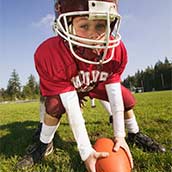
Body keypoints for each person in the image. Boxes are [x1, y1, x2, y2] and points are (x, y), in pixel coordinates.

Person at [17, 0, 135, 170]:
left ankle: (134, 133)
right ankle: (44, 144)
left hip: (94, 83)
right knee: (54, 104)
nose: (93, 34)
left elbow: (114, 92)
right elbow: (71, 105)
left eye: (101, 26)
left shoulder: (115, 50)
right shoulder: (52, 52)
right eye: (84, 26)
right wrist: (86, 150)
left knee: (126, 98)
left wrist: (120, 135)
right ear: (66, 26)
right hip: (70, 87)